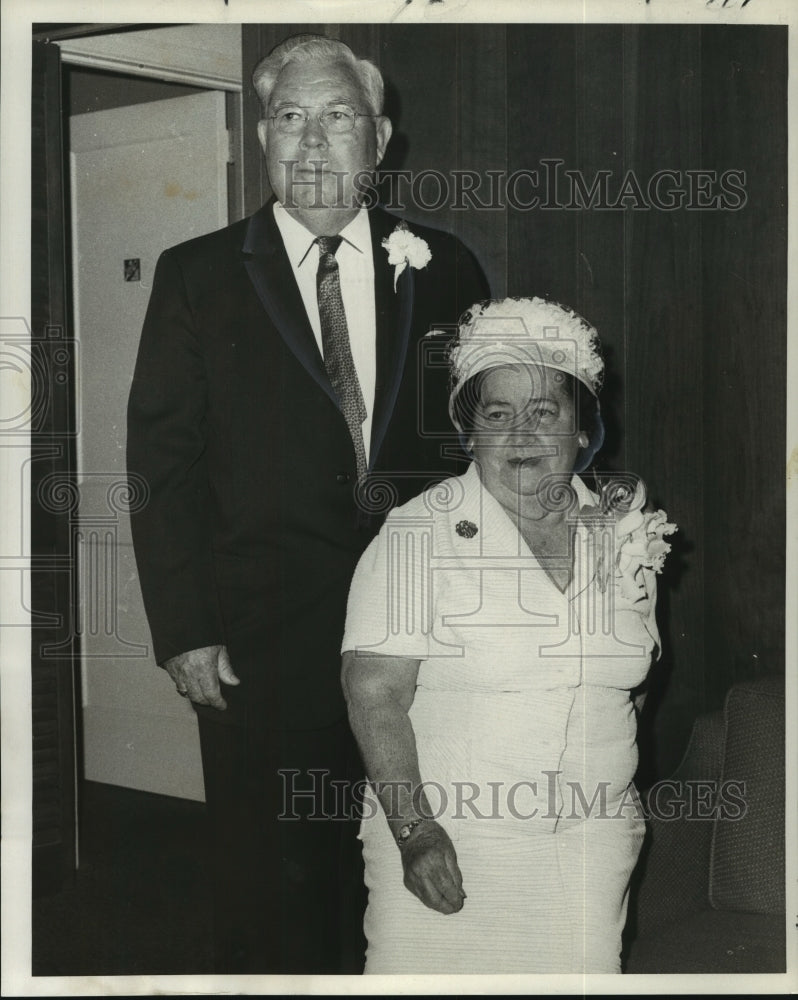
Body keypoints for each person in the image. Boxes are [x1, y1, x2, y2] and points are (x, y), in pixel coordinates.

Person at [126, 34, 489, 974]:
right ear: (261, 136)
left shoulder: (444, 268)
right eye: (292, 118)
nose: (315, 144)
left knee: (407, 880)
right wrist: (185, 629)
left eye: (339, 118)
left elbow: (474, 450)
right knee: (271, 895)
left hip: (417, 638)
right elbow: (160, 468)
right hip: (258, 646)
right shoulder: (196, 275)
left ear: (381, 138)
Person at [341, 296, 677, 973]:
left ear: (583, 432)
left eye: (545, 413)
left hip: (590, 846)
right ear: (470, 435)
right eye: (497, 415)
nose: (521, 435)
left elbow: (632, 684)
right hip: (451, 840)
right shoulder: (418, 534)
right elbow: (374, 694)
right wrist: (414, 830)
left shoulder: (625, 530)